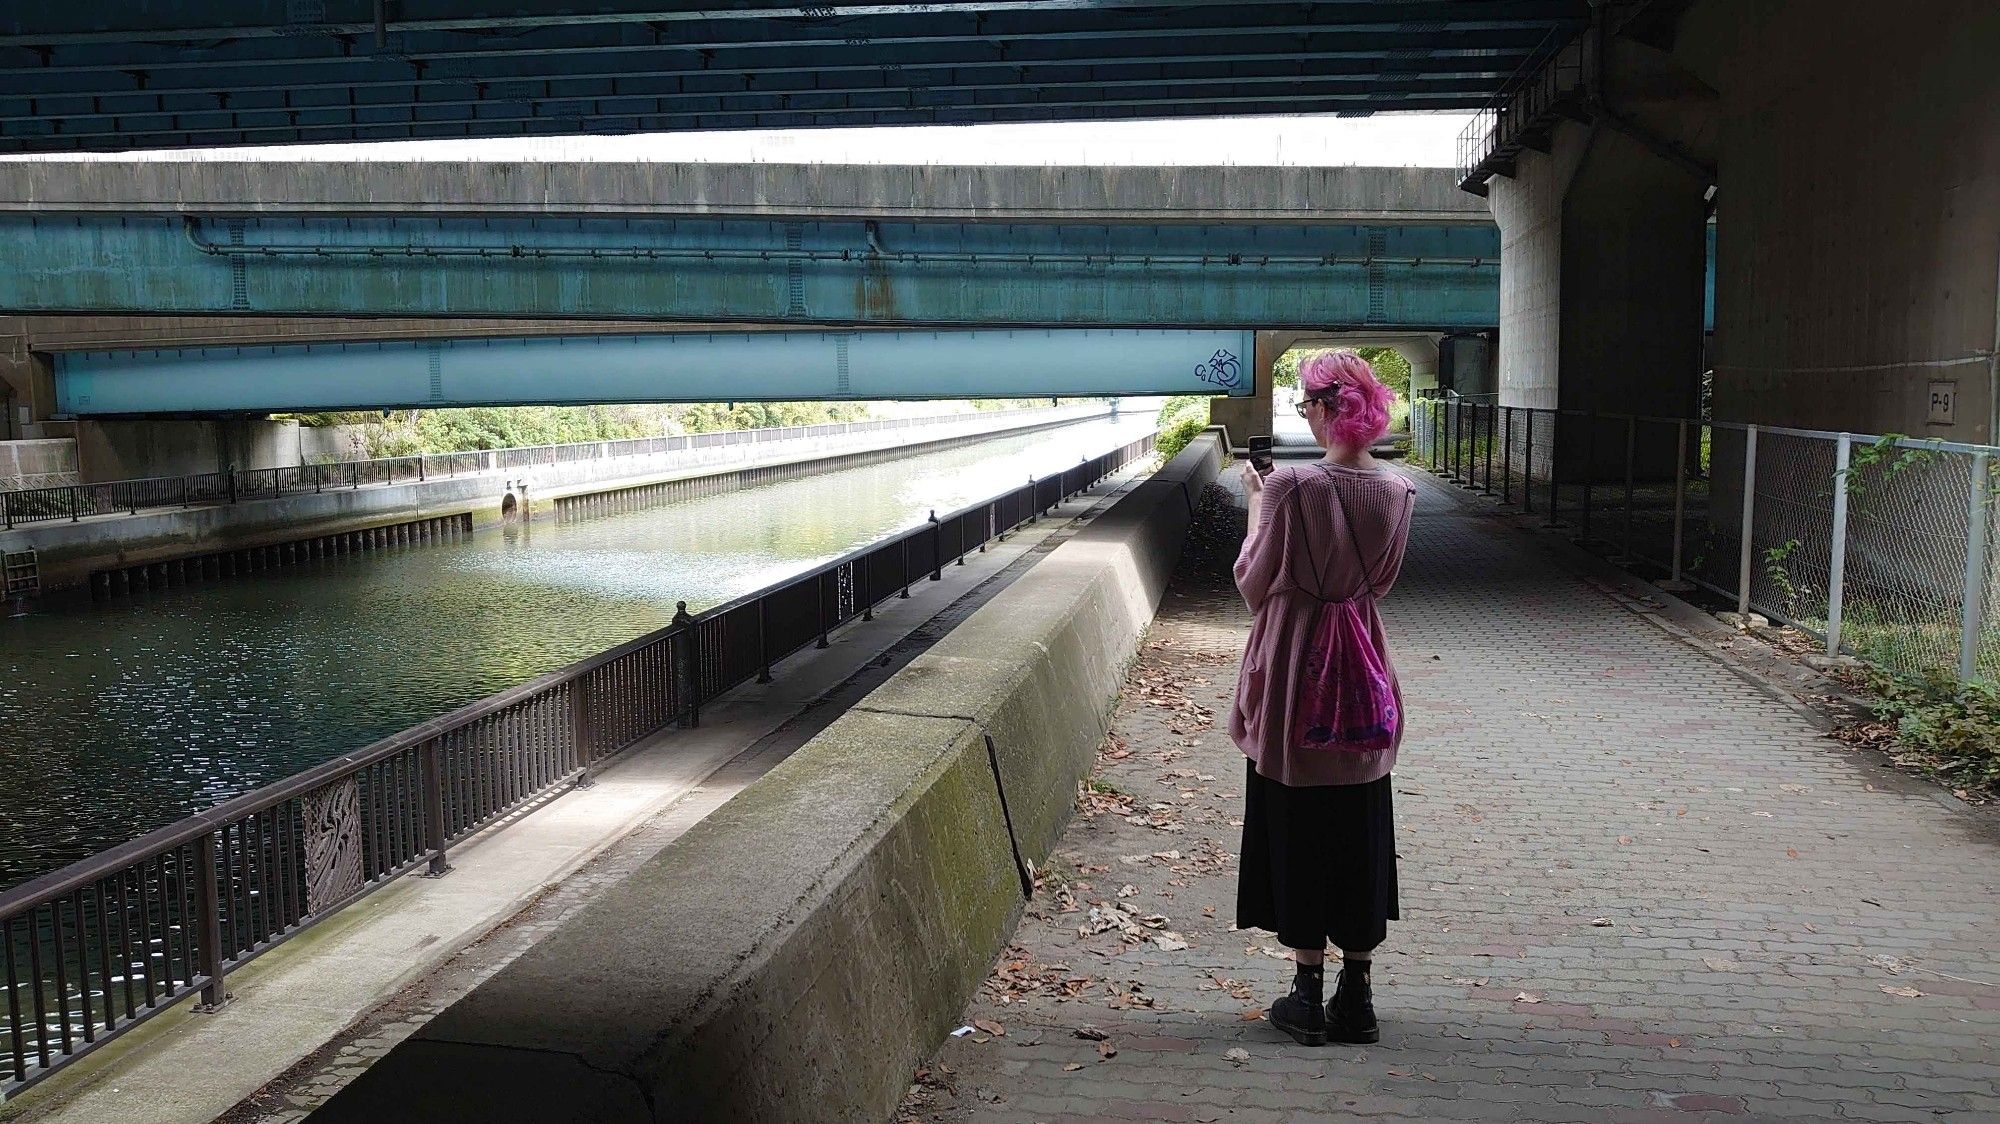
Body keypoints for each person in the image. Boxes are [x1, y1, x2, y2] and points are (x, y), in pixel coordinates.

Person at [1231, 349, 1417, 1047]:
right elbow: (1382, 584)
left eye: (1307, 405)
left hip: (1292, 666)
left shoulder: (1290, 487)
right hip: (1363, 662)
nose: (1304, 416)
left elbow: (1254, 582)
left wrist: (1255, 502)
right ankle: (1358, 995)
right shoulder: (1400, 493)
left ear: (1326, 408)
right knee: (1361, 813)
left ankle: (1306, 995)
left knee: (1295, 814)